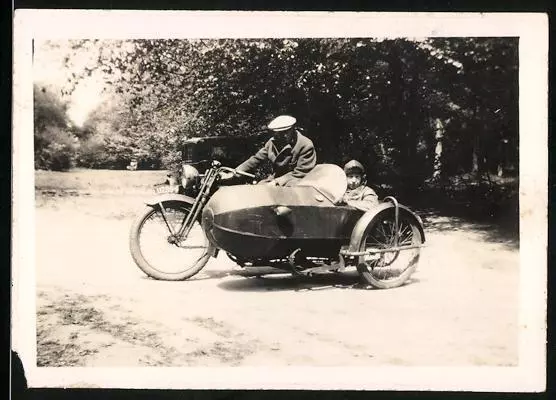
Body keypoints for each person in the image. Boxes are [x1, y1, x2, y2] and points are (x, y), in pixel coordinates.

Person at [234, 115, 317, 186]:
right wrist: (236, 172)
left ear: (293, 129)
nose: (282, 135)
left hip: (297, 182)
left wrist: (277, 182)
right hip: (276, 179)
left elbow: (300, 173)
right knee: (258, 188)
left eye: (286, 132)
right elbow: (256, 159)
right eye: (279, 132)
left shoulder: (305, 145)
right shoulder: (272, 142)